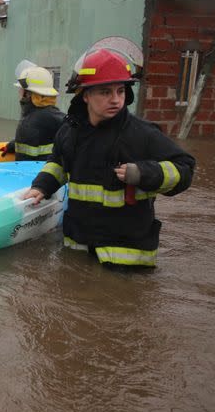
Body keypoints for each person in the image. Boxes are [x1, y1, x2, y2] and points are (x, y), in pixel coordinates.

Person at [23, 48, 195, 268]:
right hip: (78, 249)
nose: (116, 100)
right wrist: (41, 187)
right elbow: (58, 162)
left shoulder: (142, 134)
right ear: (85, 95)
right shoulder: (69, 131)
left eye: (120, 91)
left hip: (126, 259)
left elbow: (186, 168)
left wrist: (145, 173)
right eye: (105, 92)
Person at [0, 63, 65, 161]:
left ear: (29, 94)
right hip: (30, 171)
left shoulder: (47, 115)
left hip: (38, 173)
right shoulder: (32, 114)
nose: (19, 92)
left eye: (21, 89)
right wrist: (11, 146)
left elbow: (74, 130)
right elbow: (33, 139)